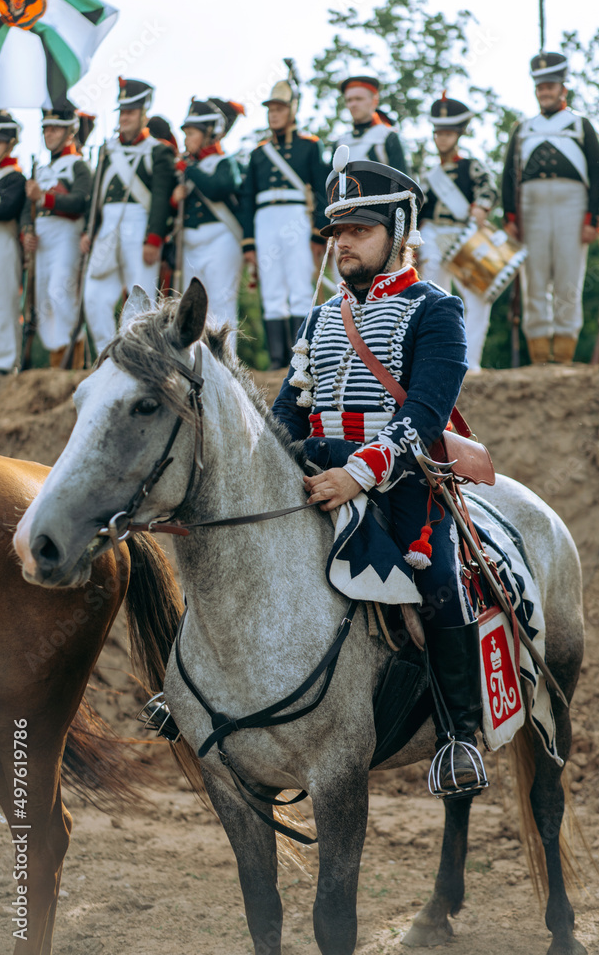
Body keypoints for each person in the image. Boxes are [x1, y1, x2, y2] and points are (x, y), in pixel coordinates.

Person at [272, 152, 487, 799]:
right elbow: (287, 412)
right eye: (337, 231)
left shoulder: (435, 309)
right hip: (315, 475)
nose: (342, 243)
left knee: (442, 582)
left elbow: (423, 415)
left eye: (358, 230)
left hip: (401, 484)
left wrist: (357, 476)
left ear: (398, 233)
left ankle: (458, 735)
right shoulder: (319, 318)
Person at [502, 52, 599, 364]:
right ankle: (538, 352)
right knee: (533, 277)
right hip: (531, 206)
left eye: (550, 87)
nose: (545, 92)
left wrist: (593, 218)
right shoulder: (523, 128)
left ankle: (563, 350)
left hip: (572, 204)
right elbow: (509, 174)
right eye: (540, 87)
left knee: (568, 277)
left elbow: (598, 172)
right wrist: (510, 215)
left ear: (563, 89)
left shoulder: (580, 125)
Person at [239, 74, 328, 369]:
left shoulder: (310, 146)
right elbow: (248, 197)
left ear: (292, 110)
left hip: (296, 216)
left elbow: (321, 189)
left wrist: (317, 232)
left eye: (279, 109)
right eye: (270, 109)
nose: (273, 114)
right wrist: (248, 242)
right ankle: (277, 360)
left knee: (300, 285)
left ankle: (300, 357)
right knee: (272, 288)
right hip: (265, 218)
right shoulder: (259, 152)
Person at [82, 77, 175, 351]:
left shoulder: (158, 151)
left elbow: (160, 198)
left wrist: (154, 238)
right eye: (122, 112)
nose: (124, 118)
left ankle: (139, 354)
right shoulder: (107, 149)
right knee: (94, 295)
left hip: (140, 225)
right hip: (107, 228)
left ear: (144, 115)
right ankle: (106, 355)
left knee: (141, 297)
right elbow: (97, 196)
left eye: (131, 112)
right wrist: (89, 231)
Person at [418, 93, 497, 371]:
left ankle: (470, 362)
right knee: (432, 299)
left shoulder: (471, 166)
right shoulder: (427, 175)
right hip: (433, 238)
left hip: (465, 237)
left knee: (478, 299)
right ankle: (437, 361)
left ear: (459, 134)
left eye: (448, 133)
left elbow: (488, 188)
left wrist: (481, 207)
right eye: (438, 133)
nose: (442, 139)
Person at [20, 99, 92, 368]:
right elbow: (26, 209)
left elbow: (81, 201)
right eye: (46, 129)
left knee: (60, 292)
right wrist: (27, 231)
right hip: (43, 239)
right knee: (43, 300)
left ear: (69, 131)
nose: (48, 134)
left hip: (67, 234)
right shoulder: (40, 169)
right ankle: (55, 364)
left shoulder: (78, 165)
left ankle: (71, 361)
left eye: (55, 128)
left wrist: (45, 198)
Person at [171, 98, 244, 328]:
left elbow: (217, 188)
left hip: (220, 239)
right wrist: (175, 199)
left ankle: (226, 350)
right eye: (186, 134)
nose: (186, 139)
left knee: (221, 303)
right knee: (193, 307)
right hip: (190, 243)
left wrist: (190, 169)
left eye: (192, 133)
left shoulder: (223, 161)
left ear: (209, 133)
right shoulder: (184, 167)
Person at [333, 75, 409, 172]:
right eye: (349, 100)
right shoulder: (340, 142)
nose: (353, 104)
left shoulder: (388, 136)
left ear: (374, 101)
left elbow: (402, 178)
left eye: (359, 99)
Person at [0, 112, 25, 375]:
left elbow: (5, 209)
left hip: (3, 244)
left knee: (4, 302)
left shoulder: (14, 177)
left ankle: (6, 363)